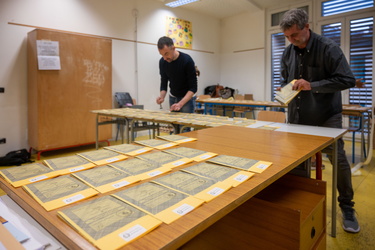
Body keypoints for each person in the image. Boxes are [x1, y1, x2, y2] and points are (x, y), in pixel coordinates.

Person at [279, 9, 360, 233]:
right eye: (287, 37)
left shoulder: (329, 48)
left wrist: (312, 85)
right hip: (298, 115)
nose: (291, 40)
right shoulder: (288, 53)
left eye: (294, 35)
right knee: (296, 160)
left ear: (307, 27)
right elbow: (285, 79)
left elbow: (347, 79)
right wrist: (284, 88)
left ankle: (347, 207)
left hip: (326, 115)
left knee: (338, 159)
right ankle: (301, 200)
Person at [156, 36, 197, 113]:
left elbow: (193, 88)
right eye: (162, 55)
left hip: (187, 99)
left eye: (166, 54)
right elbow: (164, 81)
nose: (165, 58)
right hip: (173, 97)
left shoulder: (187, 60)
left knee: (185, 124)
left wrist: (180, 104)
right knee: (174, 124)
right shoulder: (162, 62)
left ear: (173, 48)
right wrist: (162, 97)